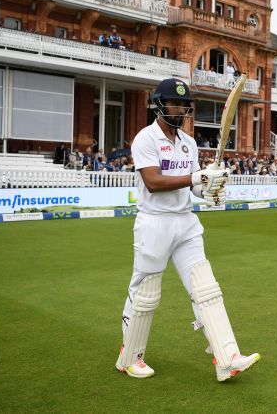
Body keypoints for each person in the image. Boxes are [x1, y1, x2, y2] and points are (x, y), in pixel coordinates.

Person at [115, 78, 260, 381]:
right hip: (154, 222)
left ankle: (226, 357)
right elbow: (154, 183)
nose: (180, 108)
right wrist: (196, 178)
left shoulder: (188, 142)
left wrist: (210, 189)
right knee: (145, 293)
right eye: (175, 103)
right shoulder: (146, 139)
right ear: (160, 104)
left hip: (186, 222)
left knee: (205, 287)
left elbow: (193, 189)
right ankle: (130, 356)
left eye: (184, 104)